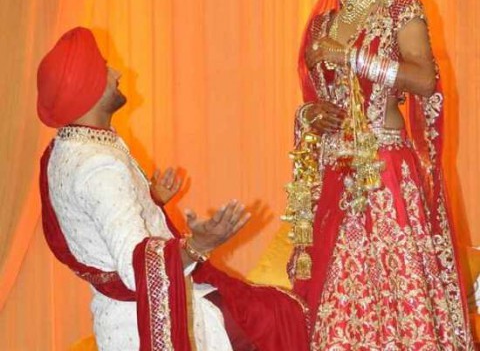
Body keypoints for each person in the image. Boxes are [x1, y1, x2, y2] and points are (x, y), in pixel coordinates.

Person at [37, 26, 309, 351]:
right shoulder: (99, 167)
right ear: (87, 86)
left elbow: (94, 220)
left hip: (117, 317)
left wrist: (148, 198)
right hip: (141, 322)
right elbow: (137, 268)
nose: (117, 72)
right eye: (105, 67)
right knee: (282, 319)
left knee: (271, 312)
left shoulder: (64, 149)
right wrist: (200, 244)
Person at [287, 0, 474, 349]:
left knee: (394, 292)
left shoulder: (398, 8)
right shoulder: (320, 25)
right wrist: (310, 114)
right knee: (336, 295)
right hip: (334, 177)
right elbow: (315, 101)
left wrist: (351, 57)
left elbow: (425, 80)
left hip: (385, 175)